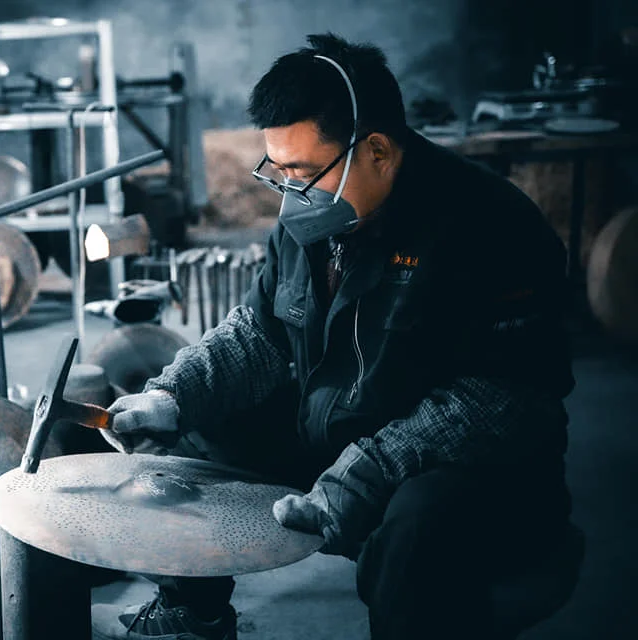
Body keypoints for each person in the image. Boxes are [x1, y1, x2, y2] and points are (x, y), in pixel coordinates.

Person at [93, 33, 577, 640]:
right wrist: (172, 396)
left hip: (466, 467)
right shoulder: (313, 215)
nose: (287, 191)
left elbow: (501, 400)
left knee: (415, 529)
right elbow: (260, 336)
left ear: (376, 150)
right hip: (340, 430)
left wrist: (364, 473)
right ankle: (196, 613)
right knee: (191, 428)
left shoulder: (492, 225)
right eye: (278, 169)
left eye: (302, 171)